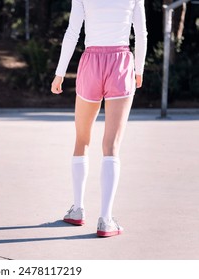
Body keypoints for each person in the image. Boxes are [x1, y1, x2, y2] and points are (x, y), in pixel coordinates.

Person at [51, 0, 147, 237]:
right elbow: (141, 33)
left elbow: (72, 31)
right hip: (121, 63)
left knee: (82, 140)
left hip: (91, 63)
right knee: (111, 146)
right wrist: (139, 69)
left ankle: (78, 210)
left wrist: (59, 73)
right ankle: (105, 220)